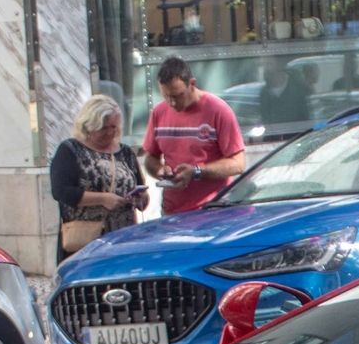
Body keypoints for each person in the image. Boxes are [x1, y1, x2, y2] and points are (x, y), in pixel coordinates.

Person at [141, 57, 246, 214]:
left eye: (177, 95)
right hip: (172, 212)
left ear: (192, 84)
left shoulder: (218, 111)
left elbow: (238, 164)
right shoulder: (159, 112)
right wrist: (161, 171)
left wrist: (197, 171)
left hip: (212, 210)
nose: (172, 103)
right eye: (166, 96)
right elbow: (150, 158)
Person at [50, 94, 150, 255]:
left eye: (114, 127)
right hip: (86, 240)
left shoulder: (125, 153)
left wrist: (140, 198)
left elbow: (141, 190)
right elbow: (61, 191)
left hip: (123, 238)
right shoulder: (70, 150)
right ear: (89, 125)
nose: (110, 132)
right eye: (104, 127)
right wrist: (103, 199)